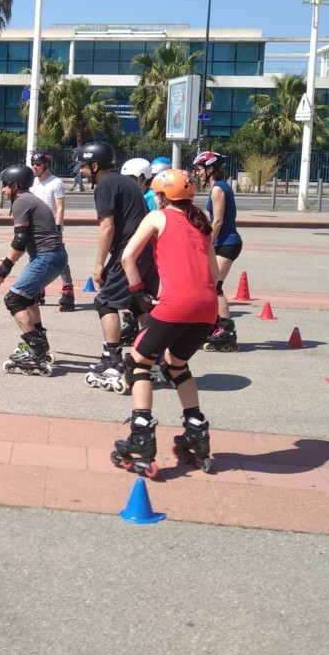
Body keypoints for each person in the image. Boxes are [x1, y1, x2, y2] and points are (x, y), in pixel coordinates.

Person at [109, 169, 220, 477]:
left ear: (161, 196)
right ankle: (196, 430)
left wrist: (139, 293)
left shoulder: (158, 217)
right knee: (176, 365)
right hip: (207, 306)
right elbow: (214, 271)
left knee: (138, 363)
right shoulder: (201, 221)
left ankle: (141, 435)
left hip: (176, 303)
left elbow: (127, 257)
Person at [75, 141, 157, 392]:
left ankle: (112, 358)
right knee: (138, 304)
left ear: (95, 165)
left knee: (105, 302)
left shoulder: (105, 185)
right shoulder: (125, 182)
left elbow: (107, 226)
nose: (81, 171)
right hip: (146, 252)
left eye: (83, 166)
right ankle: (156, 356)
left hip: (129, 253)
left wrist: (99, 263)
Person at [0, 164, 68, 376]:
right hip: (55, 256)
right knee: (27, 297)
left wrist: (5, 266)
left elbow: (20, 239)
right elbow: (27, 239)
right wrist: (9, 256)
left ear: (14, 185)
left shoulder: (21, 201)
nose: (3, 190)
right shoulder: (30, 199)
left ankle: (35, 348)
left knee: (14, 299)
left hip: (47, 257)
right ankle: (39, 340)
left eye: (5, 185)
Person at [193, 151, 242, 352]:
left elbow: (219, 221)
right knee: (208, 285)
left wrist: (206, 243)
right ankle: (214, 328)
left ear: (210, 168)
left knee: (215, 287)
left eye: (199, 169)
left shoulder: (218, 189)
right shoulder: (218, 187)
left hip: (227, 243)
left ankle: (226, 333)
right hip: (222, 242)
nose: (198, 173)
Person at [30, 150, 76, 311]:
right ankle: (39, 287)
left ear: (46, 165)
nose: (35, 167)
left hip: (52, 228)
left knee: (59, 258)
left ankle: (68, 289)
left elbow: (60, 208)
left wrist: (57, 228)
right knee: (37, 258)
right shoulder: (33, 183)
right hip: (36, 227)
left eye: (38, 164)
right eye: (33, 164)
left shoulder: (56, 183)